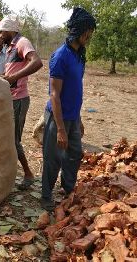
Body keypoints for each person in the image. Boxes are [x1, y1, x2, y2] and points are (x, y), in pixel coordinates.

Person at [41, 7, 96, 211]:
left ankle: (68, 188)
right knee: (53, 158)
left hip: (73, 116)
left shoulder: (80, 55)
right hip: (58, 118)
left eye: (90, 32)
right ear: (79, 30)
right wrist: (61, 129)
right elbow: (54, 94)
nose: (89, 36)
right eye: (87, 31)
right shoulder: (60, 56)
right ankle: (46, 196)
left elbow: (75, 90)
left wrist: (78, 118)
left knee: (75, 154)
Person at [0, 16, 43, 190]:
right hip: (12, 98)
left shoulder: (22, 42)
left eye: (2, 32)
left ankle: (28, 174)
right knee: (9, 137)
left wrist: (14, 77)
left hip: (19, 99)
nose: (0, 35)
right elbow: (12, 72)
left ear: (10, 30)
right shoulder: (10, 48)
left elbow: (37, 62)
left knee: (14, 139)